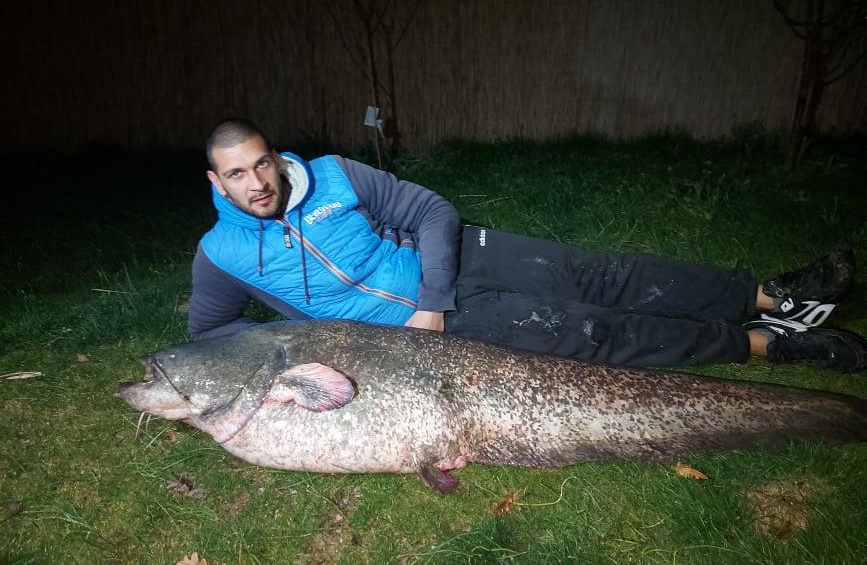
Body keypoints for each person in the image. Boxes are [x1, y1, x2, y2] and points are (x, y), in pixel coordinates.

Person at [188, 118, 867, 371]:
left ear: (274, 156)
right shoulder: (221, 255)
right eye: (237, 174)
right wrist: (300, 344)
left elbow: (430, 209)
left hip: (452, 267)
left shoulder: (334, 175)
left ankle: (773, 295)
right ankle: (766, 343)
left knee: (604, 275)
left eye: (262, 163)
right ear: (217, 182)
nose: (258, 183)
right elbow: (211, 330)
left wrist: (430, 298)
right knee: (594, 333)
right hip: (434, 329)